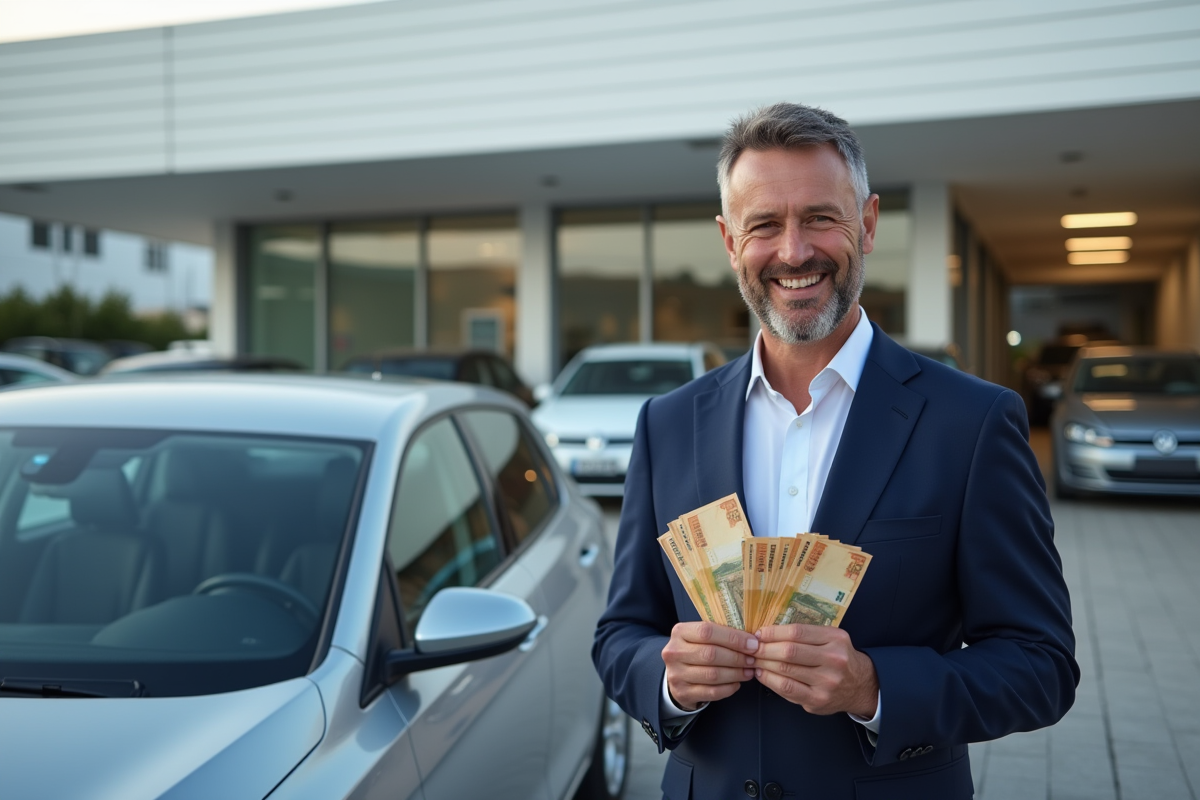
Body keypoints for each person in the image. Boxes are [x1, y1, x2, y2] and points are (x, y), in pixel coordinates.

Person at [592, 103, 1078, 800]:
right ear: (731, 242)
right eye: (764, 224)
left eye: (820, 217)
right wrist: (666, 679)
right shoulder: (668, 424)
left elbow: (1041, 666)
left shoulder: (970, 423)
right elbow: (620, 634)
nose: (793, 251)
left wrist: (875, 686)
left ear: (869, 224)